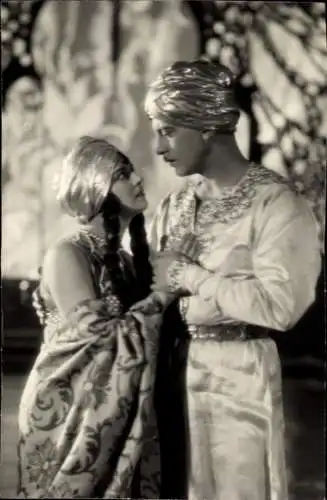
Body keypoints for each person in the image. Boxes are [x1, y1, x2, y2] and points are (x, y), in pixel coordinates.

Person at [139, 59, 321, 500]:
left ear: (204, 125)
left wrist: (191, 275)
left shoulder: (277, 205)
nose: (159, 147)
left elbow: (282, 306)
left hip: (241, 376)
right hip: (173, 373)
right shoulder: (173, 205)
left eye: (167, 130)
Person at [17, 136, 163, 499]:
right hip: (66, 412)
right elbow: (100, 338)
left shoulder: (127, 263)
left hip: (110, 413)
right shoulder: (67, 254)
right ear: (95, 186)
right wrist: (165, 296)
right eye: (124, 174)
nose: (138, 179)